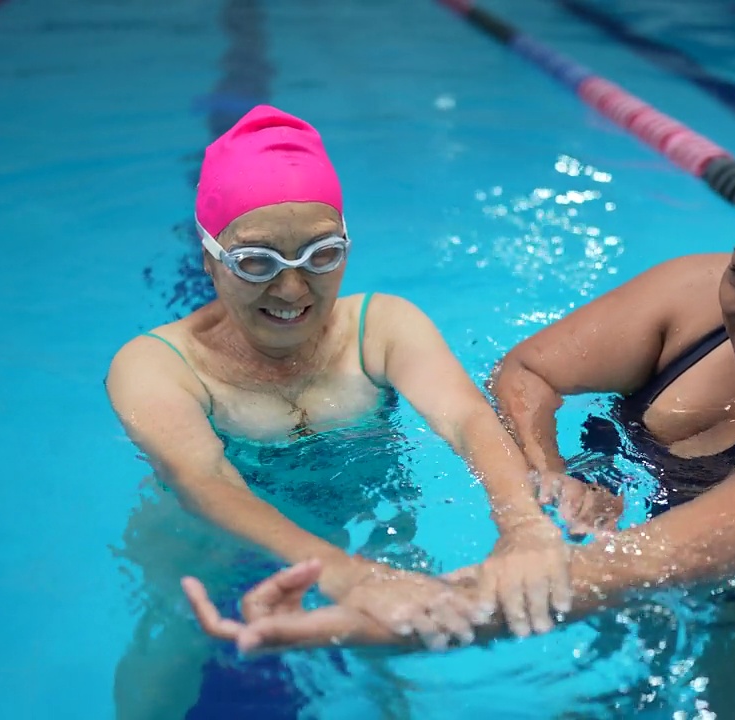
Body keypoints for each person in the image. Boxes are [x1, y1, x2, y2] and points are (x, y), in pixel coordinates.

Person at [181, 133, 735, 716]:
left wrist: (365, 617)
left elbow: (614, 573)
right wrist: (546, 468)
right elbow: (528, 371)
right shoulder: (696, 297)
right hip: (667, 567)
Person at [105, 105, 577, 718]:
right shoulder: (156, 365)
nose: (293, 292)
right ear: (208, 260)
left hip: (363, 520)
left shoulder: (380, 326)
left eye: (321, 256)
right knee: (167, 653)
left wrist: (525, 528)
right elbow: (205, 480)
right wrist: (343, 574)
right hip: (209, 544)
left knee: (400, 660)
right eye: (256, 264)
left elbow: (466, 419)